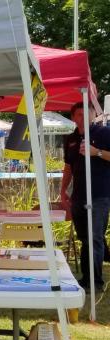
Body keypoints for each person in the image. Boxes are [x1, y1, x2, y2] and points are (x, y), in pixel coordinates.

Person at [61, 101, 110, 289]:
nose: (83, 118)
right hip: (79, 196)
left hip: (99, 195)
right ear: (73, 117)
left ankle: (95, 281)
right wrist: (63, 189)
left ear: (92, 115)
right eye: (79, 115)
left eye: (86, 114)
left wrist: (96, 152)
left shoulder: (104, 133)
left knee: (95, 237)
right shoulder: (71, 139)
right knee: (84, 238)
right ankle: (86, 278)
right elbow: (68, 167)